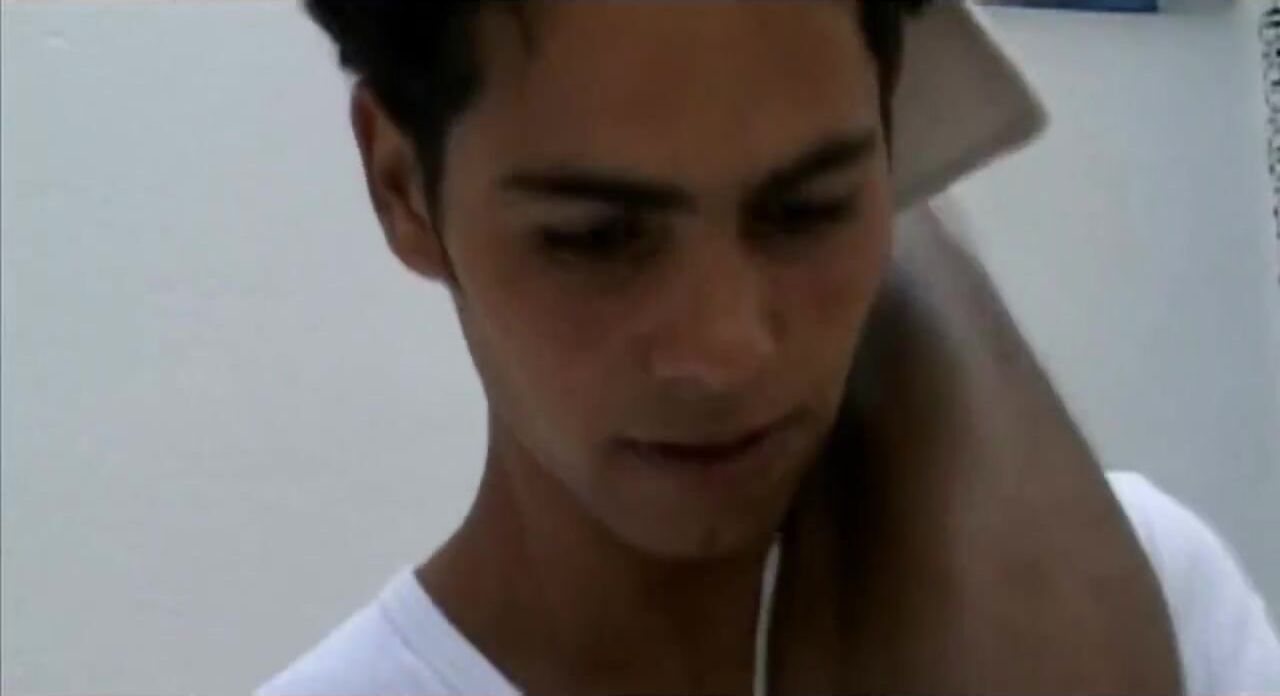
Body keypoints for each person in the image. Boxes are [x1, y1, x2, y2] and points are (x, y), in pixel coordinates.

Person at [259, 1, 1280, 694]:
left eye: (808, 210)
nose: (726, 353)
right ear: (402, 188)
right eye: (597, 238)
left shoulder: (1155, 590)